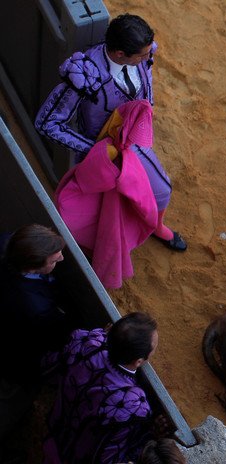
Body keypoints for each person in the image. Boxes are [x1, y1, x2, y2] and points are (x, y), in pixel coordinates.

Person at [35, 13, 187, 252]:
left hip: (133, 138)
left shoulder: (142, 55)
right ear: (119, 54)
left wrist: (147, 106)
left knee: (156, 189)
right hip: (103, 148)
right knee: (147, 192)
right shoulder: (87, 73)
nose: (150, 55)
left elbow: (147, 79)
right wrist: (93, 149)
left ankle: (156, 226)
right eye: (143, 54)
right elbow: (48, 122)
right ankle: (114, 241)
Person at [55, 100, 163, 289]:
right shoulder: (124, 161)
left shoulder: (106, 151)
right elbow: (147, 206)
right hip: (109, 195)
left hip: (91, 178)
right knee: (110, 235)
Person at [0, 224, 78, 462]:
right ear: (34, 265)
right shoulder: (39, 309)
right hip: (15, 359)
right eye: (54, 260)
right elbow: (54, 338)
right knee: (15, 399)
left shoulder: (8, 243)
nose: (62, 258)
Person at [43, 312, 160, 464]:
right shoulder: (133, 403)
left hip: (55, 430)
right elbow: (111, 456)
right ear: (138, 361)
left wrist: (101, 337)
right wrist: (152, 434)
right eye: (154, 349)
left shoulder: (88, 342)